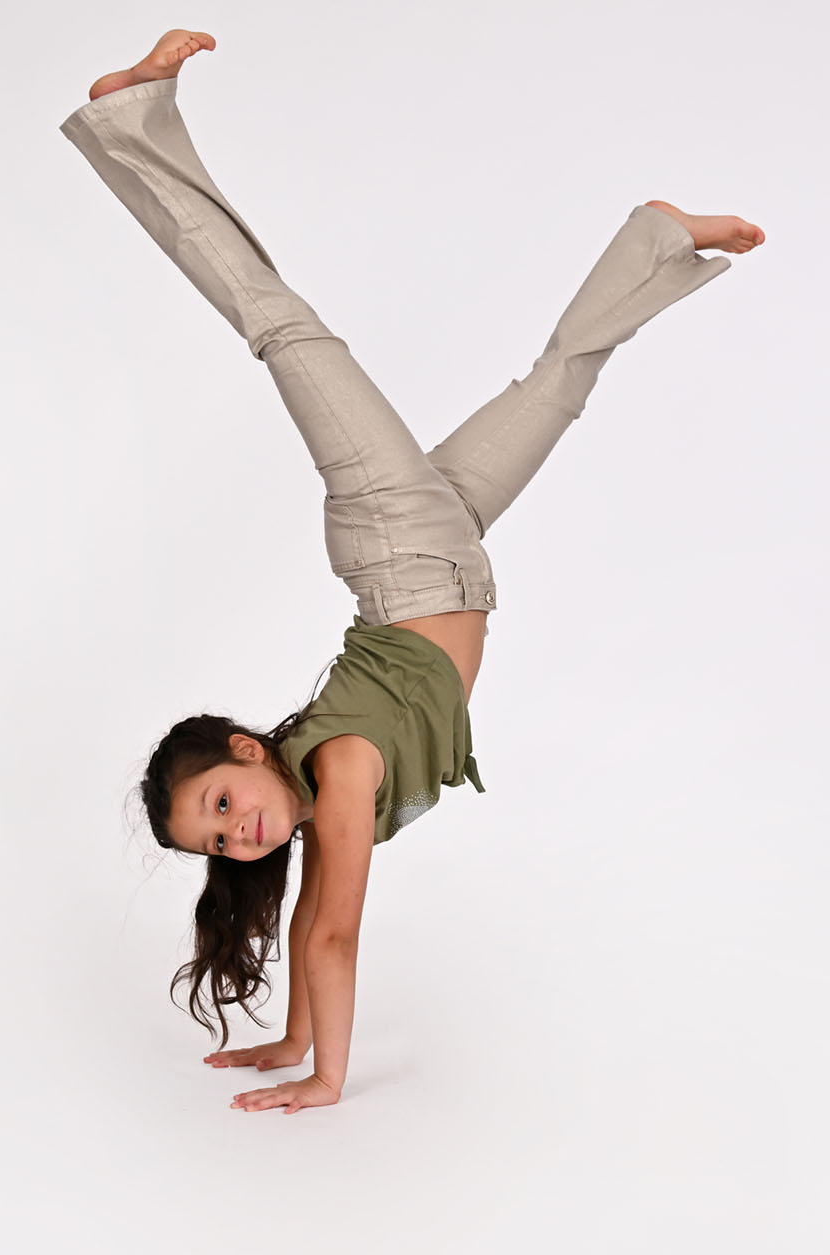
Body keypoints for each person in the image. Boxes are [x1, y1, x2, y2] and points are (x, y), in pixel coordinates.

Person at [59, 28, 765, 1115]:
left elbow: (335, 934)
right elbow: (311, 916)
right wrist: (291, 1038)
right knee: (556, 387)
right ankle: (657, 236)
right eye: (218, 840)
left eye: (221, 803)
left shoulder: (341, 767)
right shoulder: (313, 792)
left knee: (281, 326)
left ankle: (132, 120)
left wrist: (325, 1077)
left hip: (401, 546)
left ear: (246, 752)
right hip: (448, 545)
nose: (238, 835)